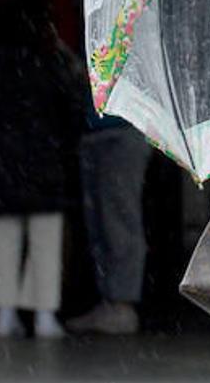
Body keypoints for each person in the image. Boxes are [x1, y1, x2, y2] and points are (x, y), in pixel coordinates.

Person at [0, 0, 80, 339]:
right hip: (45, 161)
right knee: (46, 239)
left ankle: (4, 313)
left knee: (3, 238)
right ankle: (44, 314)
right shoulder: (51, 60)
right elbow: (72, 107)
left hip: (4, 162)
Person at [65, 112, 152, 336]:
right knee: (102, 223)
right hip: (97, 132)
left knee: (118, 220)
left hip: (121, 131)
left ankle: (122, 304)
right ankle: (111, 301)